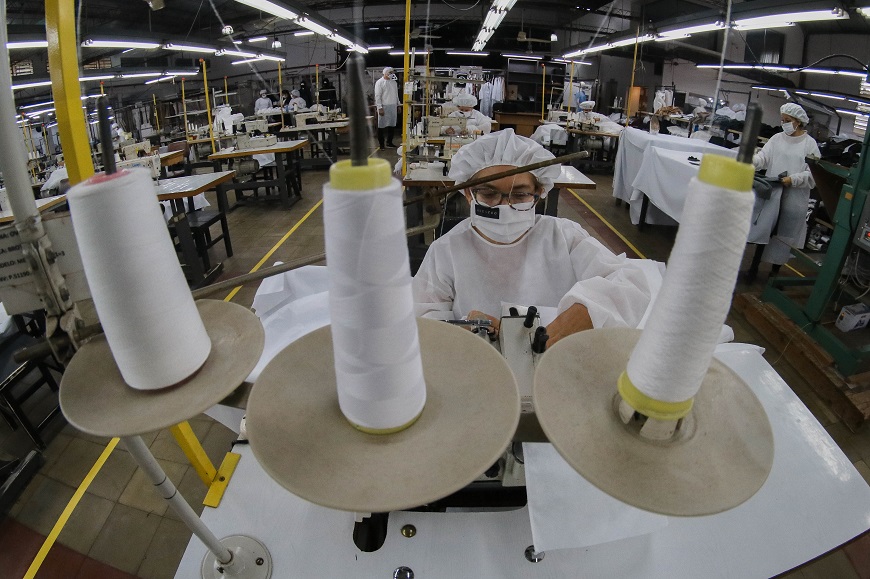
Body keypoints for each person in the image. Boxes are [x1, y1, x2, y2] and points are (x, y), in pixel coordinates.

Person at [412, 129, 662, 347]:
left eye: (519, 196)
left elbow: (630, 282)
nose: (503, 207)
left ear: (540, 192)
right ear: (468, 193)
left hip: (554, 359)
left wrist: (581, 314)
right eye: (489, 195)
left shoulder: (563, 237)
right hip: (478, 362)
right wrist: (460, 327)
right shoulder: (447, 249)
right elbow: (422, 320)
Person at [747, 103, 821, 280]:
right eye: (782, 120)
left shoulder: (809, 144)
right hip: (773, 193)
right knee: (765, 230)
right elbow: (764, 157)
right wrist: (752, 160)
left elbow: (814, 174)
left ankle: (775, 272)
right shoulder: (777, 138)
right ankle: (753, 269)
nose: (784, 123)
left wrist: (793, 179)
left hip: (795, 198)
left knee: (784, 236)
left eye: (787, 120)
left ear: (798, 121)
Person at [374, 66, 399, 150]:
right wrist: (380, 107)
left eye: (392, 73)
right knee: (381, 126)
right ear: (385, 73)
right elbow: (378, 96)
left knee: (392, 125)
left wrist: (398, 105)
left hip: (393, 106)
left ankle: (389, 142)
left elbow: (396, 95)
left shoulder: (394, 83)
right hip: (384, 106)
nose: (392, 74)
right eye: (390, 73)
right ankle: (381, 145)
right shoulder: (379, 82)